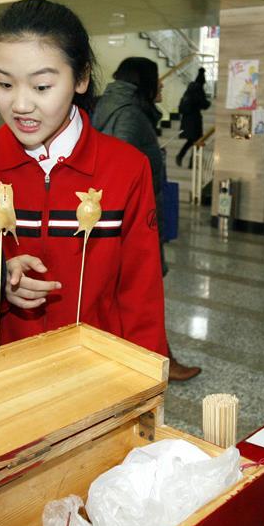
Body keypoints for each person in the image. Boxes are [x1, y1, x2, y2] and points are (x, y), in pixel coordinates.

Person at [0, 0, 167, 358]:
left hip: (94, 370)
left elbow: (142, 295)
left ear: (81, 78)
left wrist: (145, 383)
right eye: (4, 83)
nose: (20, 104)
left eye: (42, 86)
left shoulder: (126, 167)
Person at [93, 57, 201, 381]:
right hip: (132, 220)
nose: (163, 85)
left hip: (121, 218)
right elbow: (121, 168)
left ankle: (157, 358)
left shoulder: (113, 106)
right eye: (158, 79)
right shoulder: (128, 114)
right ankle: (158, 361)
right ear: (144, 82)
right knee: (143, 293)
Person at [175, 67, 210, 168]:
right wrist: (208, 103)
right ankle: (191, 163)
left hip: (186, 119)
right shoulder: (199, 89)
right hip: (194, 119)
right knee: (198, 140)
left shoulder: (190, 88)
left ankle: (183, 157)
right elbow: (203, 103)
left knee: (192, 140)